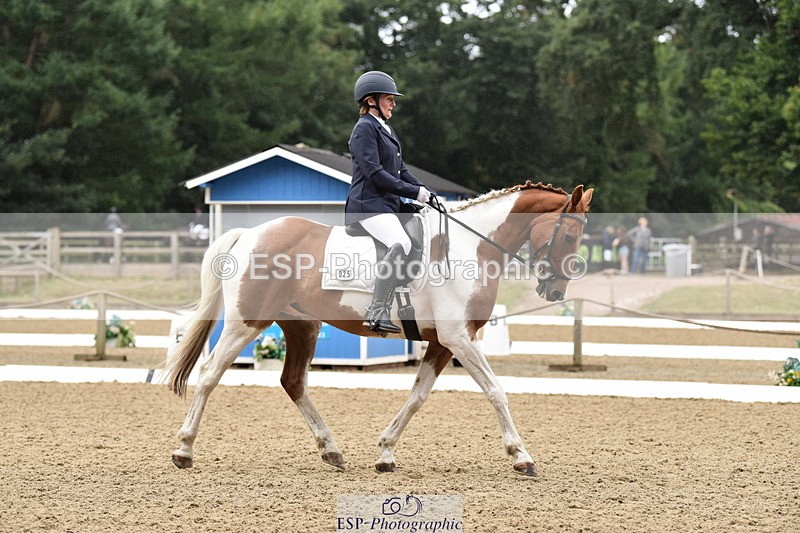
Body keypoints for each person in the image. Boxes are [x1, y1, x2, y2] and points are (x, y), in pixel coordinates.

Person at [346, 71, 436, 334]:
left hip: (387, 205)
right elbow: (375, 173)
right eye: (388, 99)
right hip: (367, 205)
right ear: (371, 100)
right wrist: (412, 192)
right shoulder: (364, 129)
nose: (393, 103)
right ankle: (376, 311)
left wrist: (425, 192)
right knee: (401, 242)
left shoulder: (385, 129)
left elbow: (401, 170)